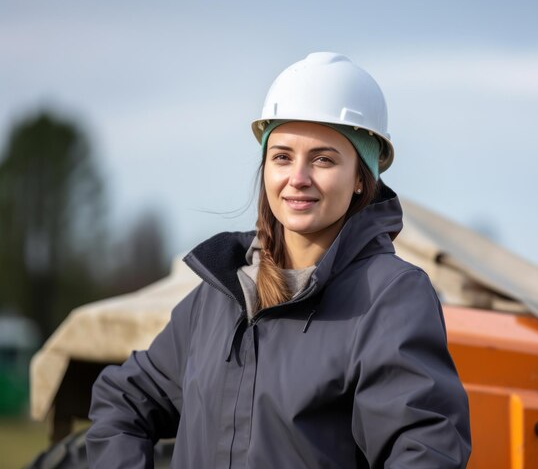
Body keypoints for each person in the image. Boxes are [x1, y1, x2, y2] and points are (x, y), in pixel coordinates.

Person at [86, 52, 471, 468]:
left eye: (323, 159)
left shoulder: (389, 298)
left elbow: (425, 451)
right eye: (282, 156)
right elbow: (121, 402)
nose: (298, 177)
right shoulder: (223, 293)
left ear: (362, 178)